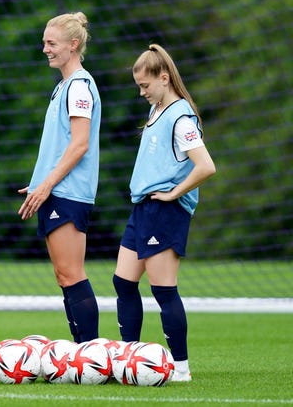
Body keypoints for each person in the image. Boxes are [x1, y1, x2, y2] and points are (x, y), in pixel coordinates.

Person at [113, 44, 216, 382]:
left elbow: (206, 166)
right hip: (143, 207)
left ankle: (182, 368)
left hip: (164, 211)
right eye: (138, 87)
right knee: (123, 282)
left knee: (163, 290)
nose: (141, 93)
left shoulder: (180, 117)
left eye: (145, 86)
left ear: (164, 78)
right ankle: (129, 359)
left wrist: (174, 193)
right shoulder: (157, 110)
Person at [18, 12, 101, 343]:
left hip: (68, 192)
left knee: (71, 273)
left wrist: (47, 185)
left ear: (74, 44)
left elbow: (79, 145)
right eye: (44, 43)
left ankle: (89, 352)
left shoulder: (79, 86)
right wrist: (39, 180)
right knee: (64, 275)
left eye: (51, 43)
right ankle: (84, 352)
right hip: (56, 190)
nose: (45, 50)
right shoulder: (63, 87)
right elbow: (59, 146)